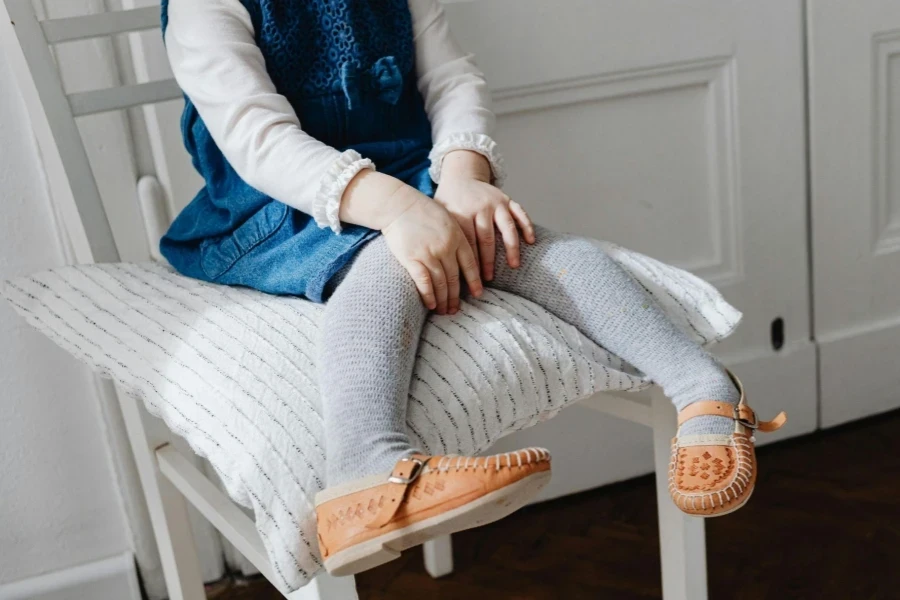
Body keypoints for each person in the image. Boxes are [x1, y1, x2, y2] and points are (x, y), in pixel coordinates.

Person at [160, 0, 785, 576]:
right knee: (390, 259)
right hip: (273, 209)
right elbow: (254, 135)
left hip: (410, 177)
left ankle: (702, 386)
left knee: (527, 245)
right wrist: (397, 211)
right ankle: (361, 468)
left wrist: (461, 174)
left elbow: (451, 79)